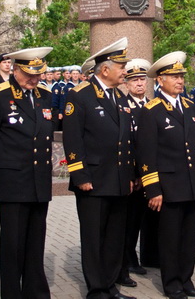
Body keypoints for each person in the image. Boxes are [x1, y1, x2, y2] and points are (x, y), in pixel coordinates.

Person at [62, 38, 136, 299]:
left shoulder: (119, 96)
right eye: (122, 67)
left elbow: (126, 140)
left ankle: (110, 285)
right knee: (94, 238)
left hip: (118, 180)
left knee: (115, 237)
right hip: (92, 180)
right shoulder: (80, 95)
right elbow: (73, 139)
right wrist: (80, 175)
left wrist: (128, 176)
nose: (125, 71)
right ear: (105, 69)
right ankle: (96, 289)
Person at [0, 47, 56, 298]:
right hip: (13, 179)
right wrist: (3, 168)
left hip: (39, 179)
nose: (34, 79)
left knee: (36, 241)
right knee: (13, 244)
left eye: (38, 74)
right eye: (29, 74)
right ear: (15, 70)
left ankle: (35, 292)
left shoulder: (45, 95)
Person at [136, 52, 195, 299]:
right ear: (160, 80)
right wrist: (153, 189)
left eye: (181, 76)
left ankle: (186, 279)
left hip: (191, 183)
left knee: (189, 237)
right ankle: (172, 284)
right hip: (168, 185)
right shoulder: (152, 110)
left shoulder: (189, 106)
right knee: (170, 238)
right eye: (174, 77)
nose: (179, 81)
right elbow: (146, 153)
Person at [120, 58, 153, 281]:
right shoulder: (122, 106)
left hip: (150, 173)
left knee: (145, 217)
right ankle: (128, 257)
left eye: (142, 80)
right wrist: (134, 174)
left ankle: (149, 255)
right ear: (126, 84)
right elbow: (127, 144)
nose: (139, 84)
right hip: (133, 174)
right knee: (130, 219)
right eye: (134, 80)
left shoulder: (152, 105)